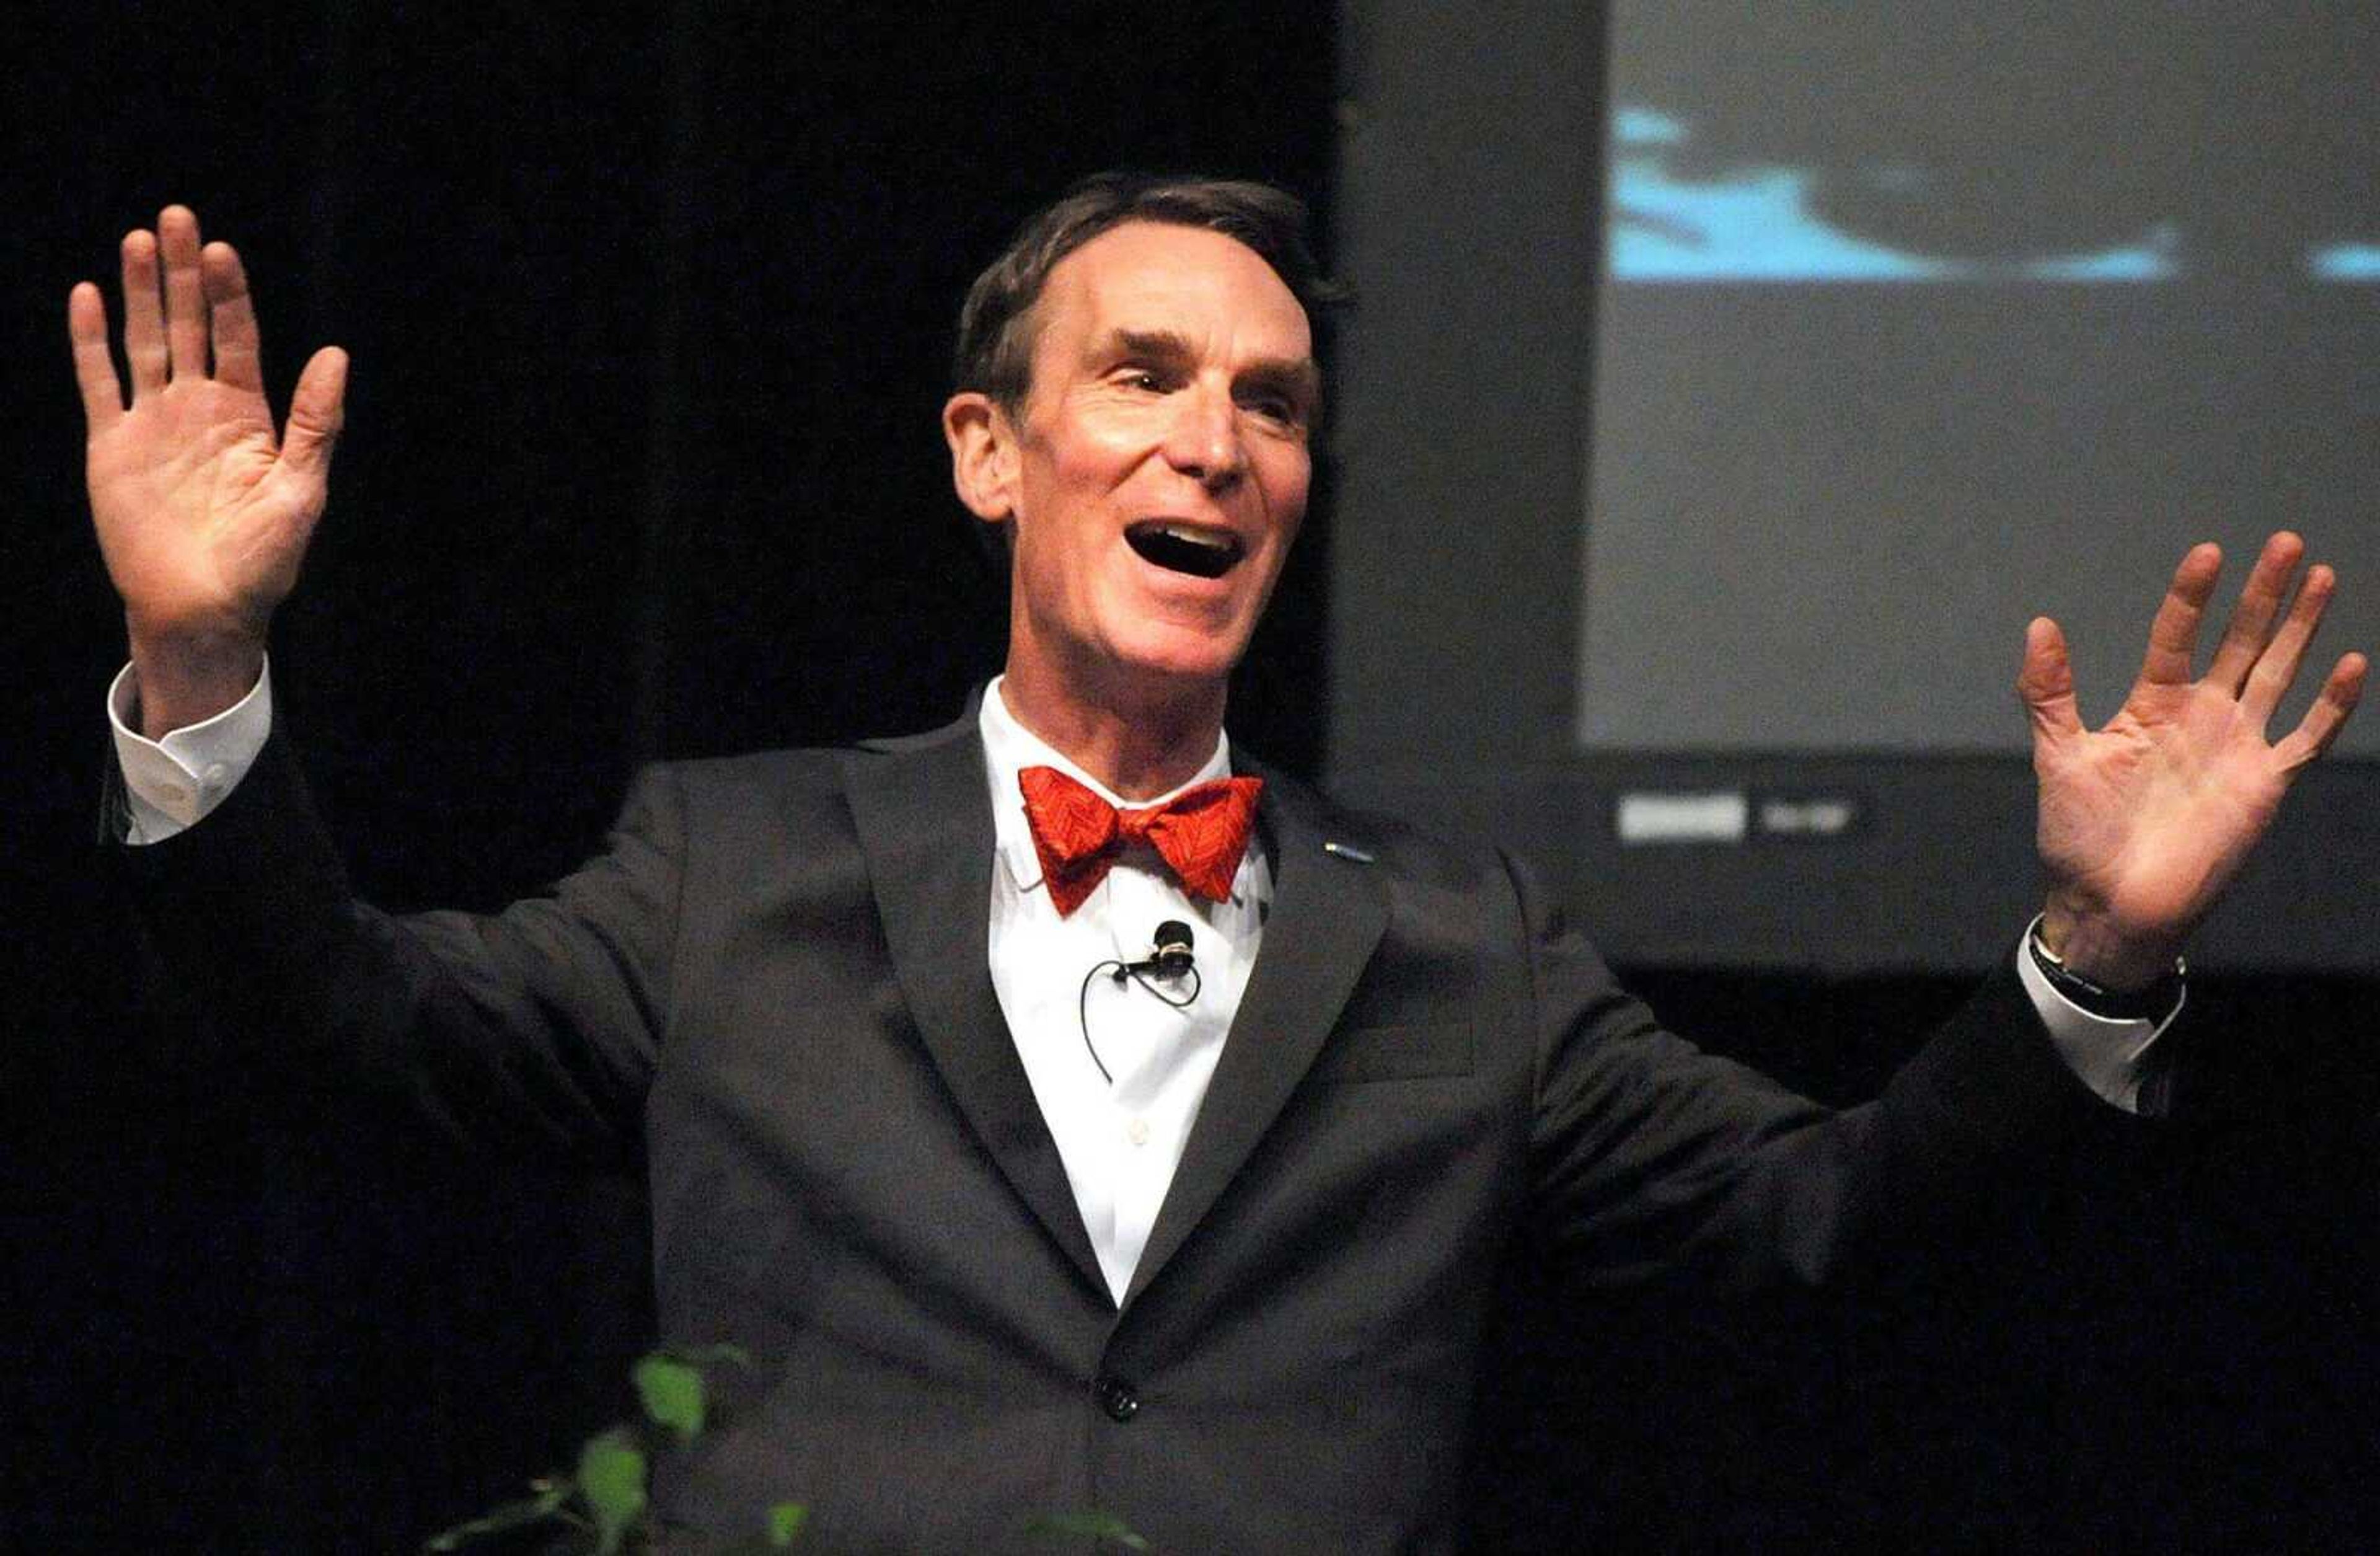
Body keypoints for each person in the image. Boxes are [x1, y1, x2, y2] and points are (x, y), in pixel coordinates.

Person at [73, 175, 2364, 1551]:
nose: (1219, 444)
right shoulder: (730, 864)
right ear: (991, 452)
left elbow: (1825, 1214)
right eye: (1149, 377)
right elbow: (348, 1038)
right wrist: (196, 666)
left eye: (1272, 402)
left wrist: (2098, 944)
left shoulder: (1463, 945)